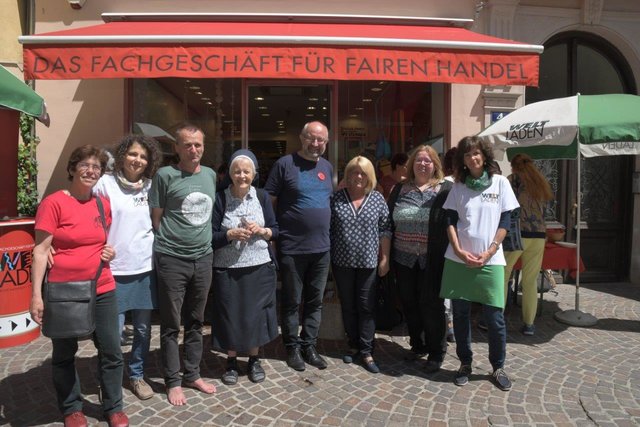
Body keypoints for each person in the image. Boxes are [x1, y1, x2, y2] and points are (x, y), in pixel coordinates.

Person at [30, 145, 128, 427]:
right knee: (64, 353)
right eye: (84, 165)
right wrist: (36, 296)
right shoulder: (54, 203)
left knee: (111, 350)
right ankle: (72, 407)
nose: (91, 171)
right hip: (64, 291)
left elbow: (101, 240)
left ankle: (113, 407)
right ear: (72, 168)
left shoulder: (101, 203)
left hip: (102, 287)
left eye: (96, 167)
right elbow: (40, 250)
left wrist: (109, 252)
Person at [440, 136, 519, 391]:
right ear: (461, 160)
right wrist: (460, 251)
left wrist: (490, 251)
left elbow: (505, 223)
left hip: (491, 261)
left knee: (495, 316)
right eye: (467, 155)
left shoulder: (500, 183)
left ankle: (498, 366)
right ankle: (465, 363)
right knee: (461, 315)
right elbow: (450, 221)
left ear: (484, 155)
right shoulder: (458, 187)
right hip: (458, 260)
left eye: (476, 153)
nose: (472, 158)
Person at [149, 122, 217, 406]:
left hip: (203, 257)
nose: (193, 149)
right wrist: (170, 245)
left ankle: (192, 373)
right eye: (187, 144)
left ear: (203, 147)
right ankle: (173, 380)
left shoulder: (211, 175)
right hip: (172, 258)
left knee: (196, 321)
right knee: (170, 324)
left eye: (198, 144)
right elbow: (156, 217)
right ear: (176, 148)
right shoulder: (165, 175)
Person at [93, 135, 162, 400]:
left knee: (143, 330)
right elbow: (89, 217)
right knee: (113, 331)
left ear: (149, 162)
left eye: (143, 157)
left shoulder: (151, 187)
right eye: (133, 154)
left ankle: (136, 375)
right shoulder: (104, 184)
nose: (138, 160)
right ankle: (108, 378)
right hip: (113, 268)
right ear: (123, 156)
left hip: (144, 267)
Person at [264, 121, 333, 372]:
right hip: (292, 247)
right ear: (301, 138)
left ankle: (309, 345)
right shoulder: (284, 164)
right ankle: (291, 346)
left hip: (321, 248)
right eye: (311, 138)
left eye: (321, 140)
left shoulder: (326, 166)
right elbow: (269, 200)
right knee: (292, 300)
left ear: (326, 142)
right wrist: (272, 236)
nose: (316, 144)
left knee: (315, 301)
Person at [211, 149, 279, 385]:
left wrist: (262, 231)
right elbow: (210, 236)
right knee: (230, 315)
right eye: (237, 171)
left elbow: (275, 229)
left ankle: (253, 359)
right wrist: (228, 235)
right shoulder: (220, 198)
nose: (241, 175)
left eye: (246, 171)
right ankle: (230, 362)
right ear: (230, 174)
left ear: (254, 174)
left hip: (259, 266)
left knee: (255, 315)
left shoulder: (262, 197)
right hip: (228, 267)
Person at [387, 144, 452, 373]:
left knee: (432, 305)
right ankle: (418, 344)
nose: (423, 164)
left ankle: (437, 351)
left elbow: (454, 222)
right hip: (403, 258)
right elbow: (388, 223)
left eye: (428, 161)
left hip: (432, 259)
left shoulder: (445, 189)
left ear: (435, 165)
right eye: (418, 160)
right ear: (411, 164)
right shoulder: (399, 189)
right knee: (409, 303)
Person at [330, 156, 392, 374]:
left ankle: (367, 350)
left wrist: (385, 258)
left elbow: (385, 229)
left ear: (369, 176)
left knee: (366, 306)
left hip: (368, 263)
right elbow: (329, 229)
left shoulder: (377, 199)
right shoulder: (337, 198)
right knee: (348, 305)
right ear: (347, 175)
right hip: (342, 262)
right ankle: (353, 344)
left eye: (363, 173)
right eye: (354, 172)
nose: (358, 176)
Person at [503, 153, 553, 336]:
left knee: (503, 275)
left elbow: (505, 206)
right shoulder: (541, 182)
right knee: (530, 281)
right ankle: (529, 324)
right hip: (539, 234)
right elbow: (545, 211)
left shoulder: (512, 180)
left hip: (518, 234)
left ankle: (496, 319)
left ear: (514, 166)